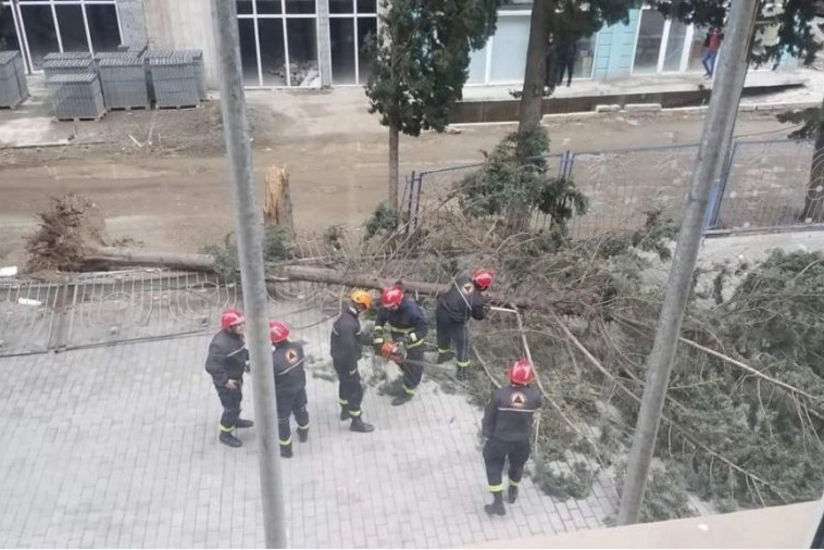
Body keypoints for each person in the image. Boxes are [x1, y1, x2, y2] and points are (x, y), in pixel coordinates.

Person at [481, 359, 542, 516]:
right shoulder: (535, 398)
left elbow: (489, 416)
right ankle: (513, 490)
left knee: (493, 465)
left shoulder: (498, 395)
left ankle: (498, 502)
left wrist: (487, 433)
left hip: (499, 440)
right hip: (521, 442)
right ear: (529, 379)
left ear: (510, 376)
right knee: (517, 466)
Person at [372, 285, 428, 406]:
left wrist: (408, 339)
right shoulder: (389, 307)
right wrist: (378, 334)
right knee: (401, 363)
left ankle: (408, 392)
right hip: (397, 340)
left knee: (413, 369)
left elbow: (423, 331)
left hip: (414, 345)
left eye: (391, 307)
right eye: (387, 307)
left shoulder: (412, 311)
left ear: (398, 302)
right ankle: (402, 378)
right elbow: (380, 319)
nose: (389, 309)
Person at [205, 308, 253, 448]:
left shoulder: (236, 337)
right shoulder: (220, 345)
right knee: (230, 408)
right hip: (227, 384)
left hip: (236, 378)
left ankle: (235, 421)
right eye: (238, 325)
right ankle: (225, 433)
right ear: (229, 328)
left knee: (237, 401)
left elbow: (240, 353)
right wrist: (225, 380)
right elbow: (211, 366)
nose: (242, 327)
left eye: (242, 323)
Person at [331, 289, 376, 433]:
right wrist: (352, 368)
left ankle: (344, 410)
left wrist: (370, 341)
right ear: (361, 306)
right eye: (365, 308)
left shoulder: (346, 316)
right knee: (356, 390)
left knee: (344, 383)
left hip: (339, 359)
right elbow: (348, 348)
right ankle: (356, 422)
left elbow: (356, 336)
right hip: (346, 362)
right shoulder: (348, 324)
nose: (365, 311)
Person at [436, 269, 494, 380]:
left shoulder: (462, 279)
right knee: (463, 343)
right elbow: (478, 316)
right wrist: (485, 308)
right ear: (484, 287)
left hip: (441, 310)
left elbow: (463, 291)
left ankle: (442, 356)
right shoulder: (478, 300)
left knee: (442, 334)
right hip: (455, 321)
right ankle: (461, 372)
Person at [269, 320, 310, 458]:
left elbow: (268, 377)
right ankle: (303, 433)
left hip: (283, 395)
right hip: (299, 387)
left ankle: (286, 450)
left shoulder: (273, 359)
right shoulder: (297, 347)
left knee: (283, 420)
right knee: (301, 410)